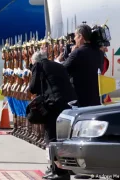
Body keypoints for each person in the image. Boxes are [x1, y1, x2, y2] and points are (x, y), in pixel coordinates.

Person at [30, 51, 77, 180]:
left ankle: (57, 171)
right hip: (69, 104)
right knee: (63, 137)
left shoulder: (38, 66)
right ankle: (64, 169)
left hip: (54, 105)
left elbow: (33, 88)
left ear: (35, 61)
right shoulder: (58, 65)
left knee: (51, 138)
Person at [55, 24, 103, 107]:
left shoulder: (77, 53)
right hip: (95, 99)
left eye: (75, 36)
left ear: (81, 37)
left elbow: (62, 70)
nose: (74, 39)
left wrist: (58, 60)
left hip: (80, 100)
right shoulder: (100, 53)